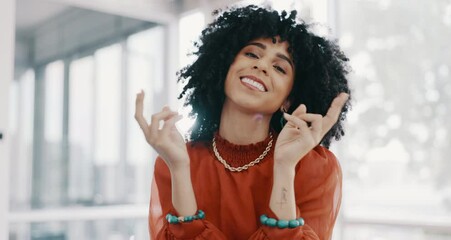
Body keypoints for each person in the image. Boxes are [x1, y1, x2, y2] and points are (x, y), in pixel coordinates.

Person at [135, 4, 351, 240]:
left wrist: (284, 168)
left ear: (288, 100)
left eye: (279, 68)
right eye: (251, 54)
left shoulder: (314, 167)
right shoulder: (176, 160)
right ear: (224, 66)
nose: (261, 66)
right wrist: (179, 170)